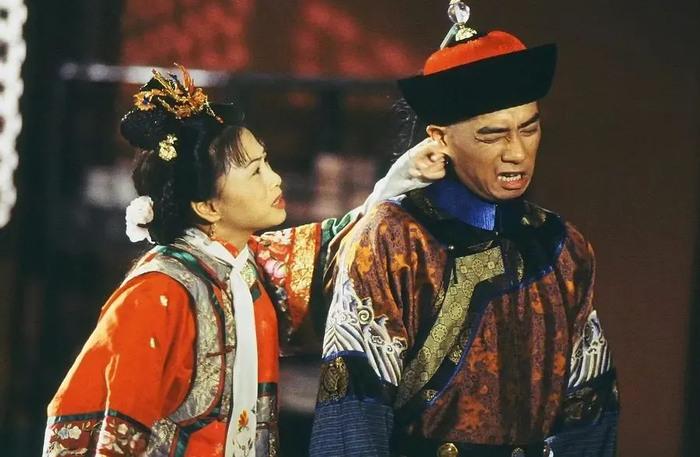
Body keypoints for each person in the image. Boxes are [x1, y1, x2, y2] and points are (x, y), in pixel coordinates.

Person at [42, 64, 445, 457]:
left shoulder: (250, 269)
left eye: (266, 162)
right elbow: (107, 425)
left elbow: (335, 250)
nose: (275, 179)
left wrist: (401, 179)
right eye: (255, 172)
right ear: (207, 205)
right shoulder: (156, 292)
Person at [310, 3, 619, 457]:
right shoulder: (395, 239)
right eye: (493, 135)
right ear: (439, 137)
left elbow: (590, 410)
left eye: (529, 129)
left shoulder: (562, 245)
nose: (517, 153)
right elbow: (354, 410)